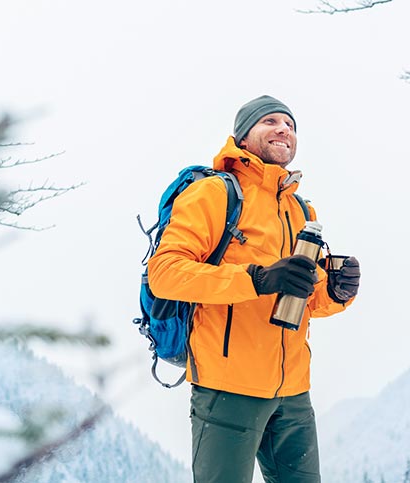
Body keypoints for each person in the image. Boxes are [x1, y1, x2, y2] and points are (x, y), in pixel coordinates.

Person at [147, 95, 361, 483]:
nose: (284, 130)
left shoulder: (300, 210)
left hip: (293, 391)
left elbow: (306, 300)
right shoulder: (214, 193)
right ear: (243, 137)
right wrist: (257, 278)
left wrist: (337, 293)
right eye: (271, 122)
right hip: (226, 387)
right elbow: (166, 273)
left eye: (291, 125)